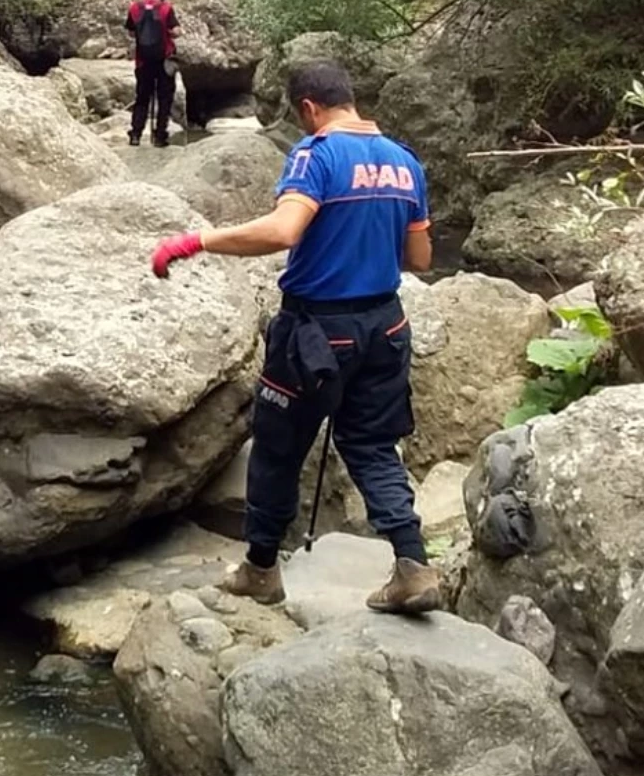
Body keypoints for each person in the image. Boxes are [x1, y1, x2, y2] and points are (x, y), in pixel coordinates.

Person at [149, 58, 439, 616]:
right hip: (386, 326)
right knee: (373, 446)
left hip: (315, 333)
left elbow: (283, 231)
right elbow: (421, 257)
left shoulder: (316, 154)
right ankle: (412, 565)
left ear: (309, 107)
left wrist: (198, 241)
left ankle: (260, 571)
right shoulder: (405, 162)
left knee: (278, 447)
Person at [125, 0, 179, 148]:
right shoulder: (166, 8)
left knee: (142, 98)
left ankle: (135, 134)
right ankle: (160, 136)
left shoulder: (135, 8)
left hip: (143, 61)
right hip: (164, 61)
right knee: (165, 98)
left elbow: (131, 33)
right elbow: (176, 31)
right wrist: (168, 33)